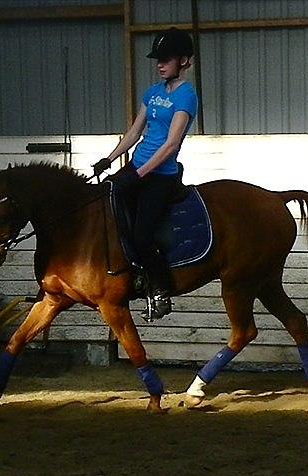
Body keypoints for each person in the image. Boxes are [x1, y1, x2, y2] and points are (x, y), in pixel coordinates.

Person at [93, 27, 198, 322]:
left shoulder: (187, 97)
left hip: (161, 175)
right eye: (158, 60)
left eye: (166, 59)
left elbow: (171, 144)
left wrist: (140, 173)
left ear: (185, 61)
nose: (160, 64)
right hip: (137, 168)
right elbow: (135, 132)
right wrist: (109, 159)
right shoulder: (152, 93)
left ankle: (160, 290)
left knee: (142, 235)